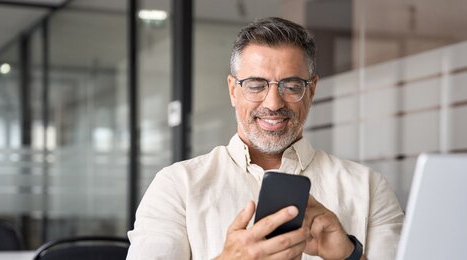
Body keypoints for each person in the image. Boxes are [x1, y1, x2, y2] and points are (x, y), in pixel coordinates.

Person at [127, 17, 404, 260]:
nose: (273, 103)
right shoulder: (177, 186)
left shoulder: (368, 187)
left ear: (312, 90)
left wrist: (348, 256)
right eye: (256, 85)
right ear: (233, 90)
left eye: (292, 86)